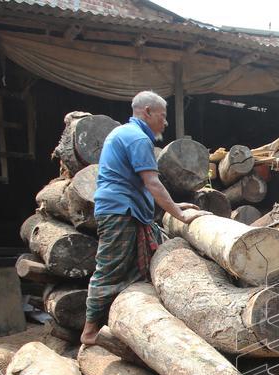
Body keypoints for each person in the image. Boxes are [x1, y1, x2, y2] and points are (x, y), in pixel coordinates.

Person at [81, 90, 200, 346]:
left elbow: (144, 185)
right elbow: (153, 183)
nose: (165, 122)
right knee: (109, 269)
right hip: (120, 211)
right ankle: (90, 332)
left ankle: (121, 327)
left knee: (133, 271)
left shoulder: (126, 134)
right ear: (147, 112)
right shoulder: (137, 139)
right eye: (163, 116)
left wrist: (174, 204)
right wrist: (179, 214)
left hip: (123, 209)